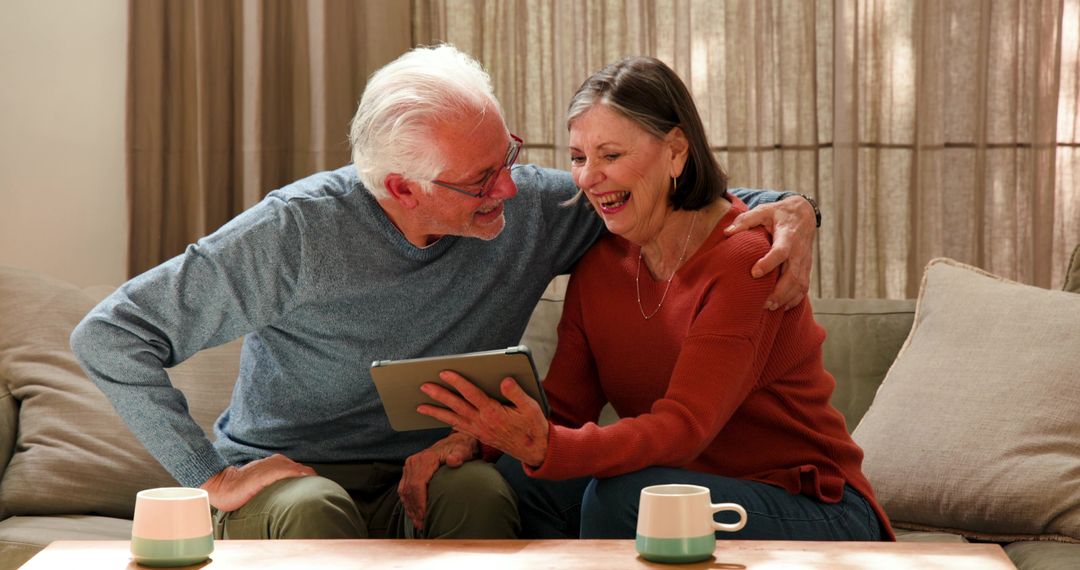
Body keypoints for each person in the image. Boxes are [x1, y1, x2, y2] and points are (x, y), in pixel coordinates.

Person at [70, 45, 818, 541]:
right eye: (480, 180)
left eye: (511, 159)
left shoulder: (525, 205)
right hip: (296, 470)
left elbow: (667, 199)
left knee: (488, 500)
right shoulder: (293, 233)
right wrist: (215, 476)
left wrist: (792, 206)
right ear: (401, 187)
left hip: (439, 463)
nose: (510, 188)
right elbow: (110, 334)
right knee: (314, 513)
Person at [415, 56, 894, 541]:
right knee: (520, 485)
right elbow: (561, 413)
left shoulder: (748, 261)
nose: (587, 177)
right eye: (579, 157)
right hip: (686, 481)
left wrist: (546, 447)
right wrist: (478, 439)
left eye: (611, 155)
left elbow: (685, 426)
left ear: (676, 152)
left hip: (810, 504)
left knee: (626, 500)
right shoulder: (600, 264)